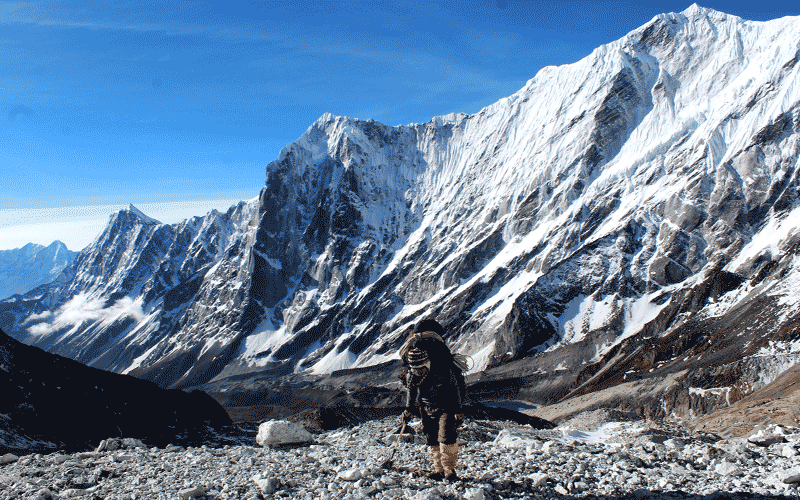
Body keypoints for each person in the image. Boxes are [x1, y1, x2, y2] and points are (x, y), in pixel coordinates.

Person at [400, 320, 465, 481]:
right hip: (431, 406)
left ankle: (449, 471)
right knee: (432, 437)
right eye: (416, 371)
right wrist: (408, 408)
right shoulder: (418, 372)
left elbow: (454, 388)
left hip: (445, 407)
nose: (419, 373)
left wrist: (457, 410)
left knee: (446, 437)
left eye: (421, 370)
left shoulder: (441, 370)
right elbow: (412, 390)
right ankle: (440, 470)